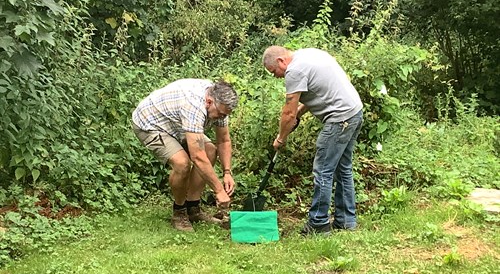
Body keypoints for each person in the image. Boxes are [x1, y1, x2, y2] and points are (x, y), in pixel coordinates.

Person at [262, 46, 363, 235]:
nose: (276, 76)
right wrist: (300, 113)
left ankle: (318, 223)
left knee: (323, 171)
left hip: (339, 119)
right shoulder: (308, 54)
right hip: (354, 112)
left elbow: (288, 112)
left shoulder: (294, 71)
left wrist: (280, 139)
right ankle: (346, 221)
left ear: (280, 62)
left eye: (274, 72)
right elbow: (320, 90)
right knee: (343, 168)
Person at [132, 79, 238, 232]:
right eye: (220, 114)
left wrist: (227, 172)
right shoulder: (193, 105)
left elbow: (223, 140)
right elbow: (197, 156)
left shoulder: (220, 107)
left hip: (178, 124)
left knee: (210, 151)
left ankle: (193, 209)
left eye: (224, 115)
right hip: (151, 124)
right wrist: (219, 191)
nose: (221, 118)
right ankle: (179, 212)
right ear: (209, 102)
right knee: (182, 163)